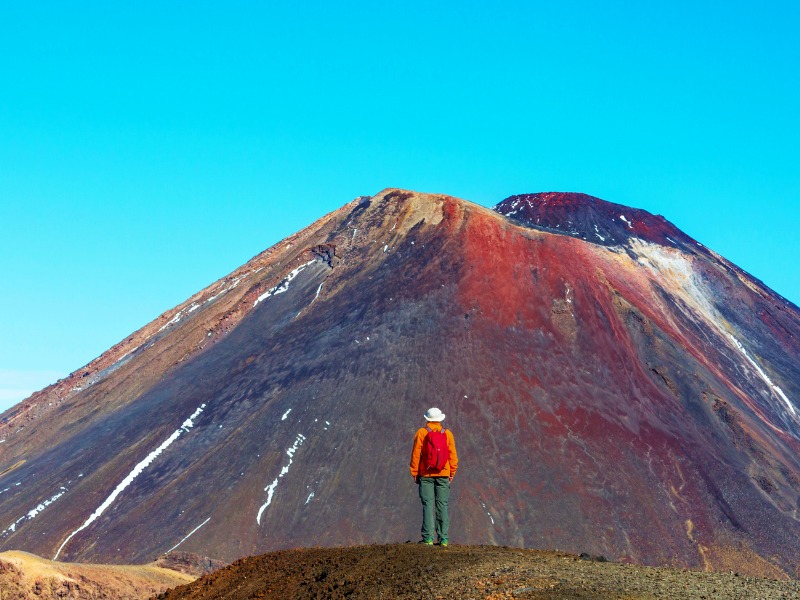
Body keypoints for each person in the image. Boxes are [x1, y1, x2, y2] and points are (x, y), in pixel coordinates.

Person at [409, 407, 458, 546]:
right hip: (443, 474)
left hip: (426, 474)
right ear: (440, 419)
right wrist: (451, 473)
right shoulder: (448, 434)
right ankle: (443, 539)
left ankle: (428, 539)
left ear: (427, 419)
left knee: (428, 505)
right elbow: (453, 456)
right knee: (442, 505)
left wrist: (414, 472)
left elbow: (416, 455)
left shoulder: (421, 433)